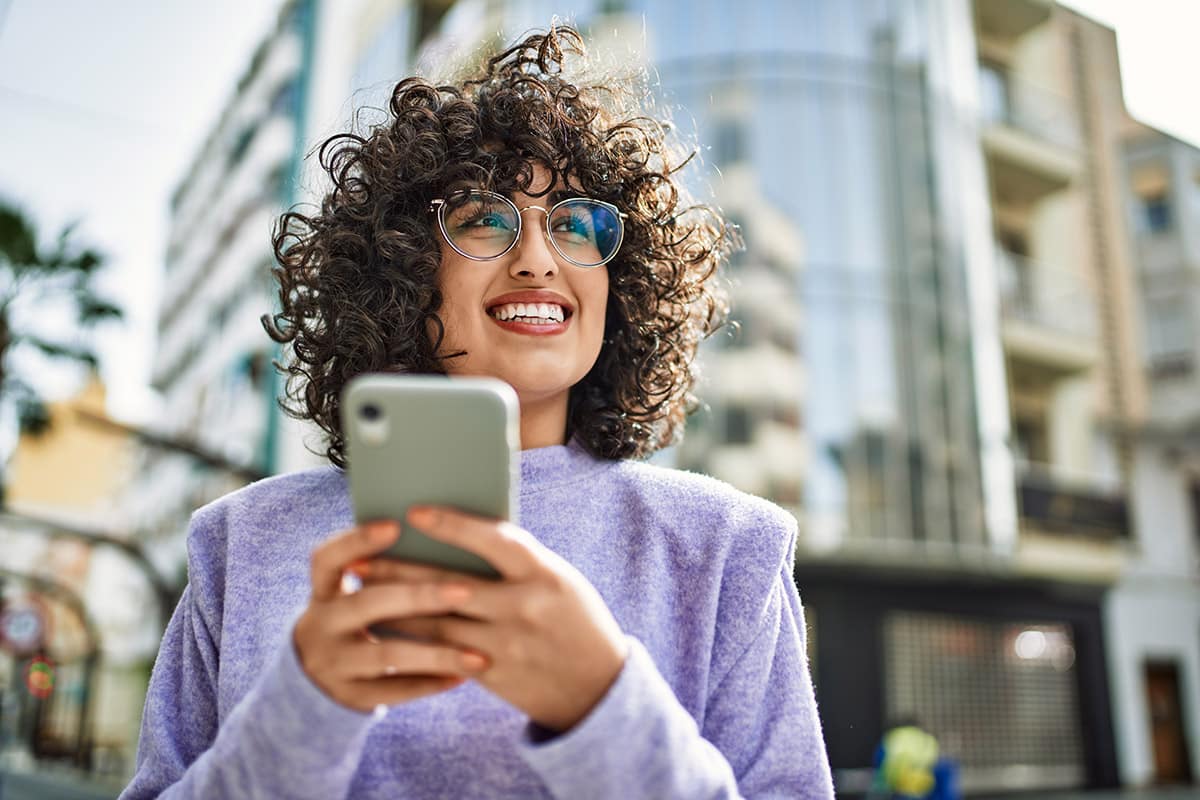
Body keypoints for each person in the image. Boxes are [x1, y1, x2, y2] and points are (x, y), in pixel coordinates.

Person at [121, 26, 833, 799]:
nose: (537, 256)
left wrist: (602, 703)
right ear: (405, 266)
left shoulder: (728, 552)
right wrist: (304, 709)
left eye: (577, 223)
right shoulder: (241, 543)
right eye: (484, 219)